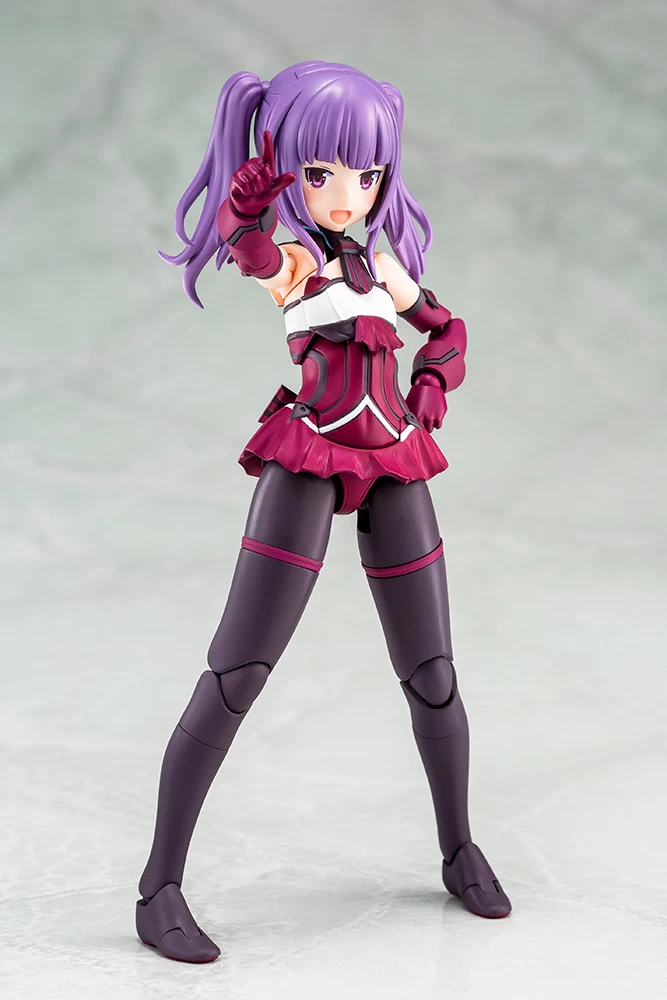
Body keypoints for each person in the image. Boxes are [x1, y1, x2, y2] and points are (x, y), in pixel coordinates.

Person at [136, 60, 511, 964]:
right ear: (291, 171)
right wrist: (242, 214)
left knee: (433, 674)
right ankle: (158, 888)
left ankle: (458, 848)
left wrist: (433, 382)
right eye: (321, 173)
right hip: (309, 455)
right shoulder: (298, 262)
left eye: (367, 175)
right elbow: (254, 254)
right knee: (237, 673)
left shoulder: (384, 265)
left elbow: (448, 329)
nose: (346, 194)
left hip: (394, 460)